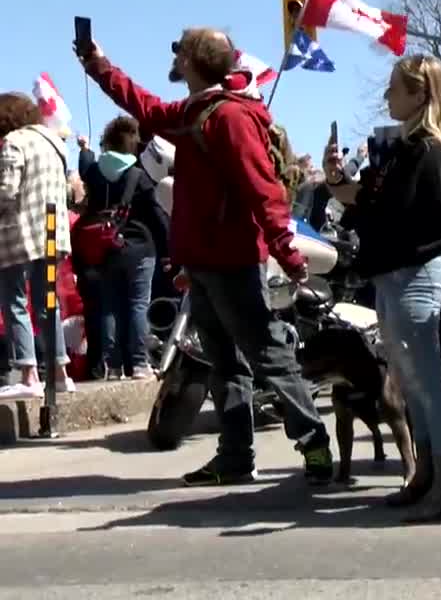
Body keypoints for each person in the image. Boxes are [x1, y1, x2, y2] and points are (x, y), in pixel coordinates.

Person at [79, 28, 332, 486]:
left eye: (180, 48)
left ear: (194, 62)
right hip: (205, 262)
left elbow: (263, 190)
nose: (174, 55)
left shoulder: (228, 118)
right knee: (224, 363)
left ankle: (314, 444)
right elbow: (145, 106)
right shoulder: (197, 111)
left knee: (268, 354)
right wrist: (99, 65)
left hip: (233, 259)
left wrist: (287, 255)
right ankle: (235, 457)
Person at [325, 54, 441, 522]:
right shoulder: (409, 150)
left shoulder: (431, 153)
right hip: (397, 275)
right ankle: (427, 475)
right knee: (411, 385)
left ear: (420, 95)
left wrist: (360, 199)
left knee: (427, 385)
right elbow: (366, 198)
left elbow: (396, 215)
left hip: (416, 274)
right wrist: (337, 180)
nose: (387, 95)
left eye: (395, 87)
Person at [80, 116, 170, 380]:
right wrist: (169, 250)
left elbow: (85, 168)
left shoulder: (95, 173)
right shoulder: (138, 176)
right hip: (140, 248)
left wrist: (85, 150)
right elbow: (157, 215)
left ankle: (114, 365)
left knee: (109, 306)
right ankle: (140, 364)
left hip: (105, 248)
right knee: (138, 304)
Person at [0, 93, 74, 399]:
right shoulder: (56, 144)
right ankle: (59, 374)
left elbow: (6, 190)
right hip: (53, 233)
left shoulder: (13, 142)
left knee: (14, 298)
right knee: (48, 303)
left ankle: (29, 374)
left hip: (19, 236)